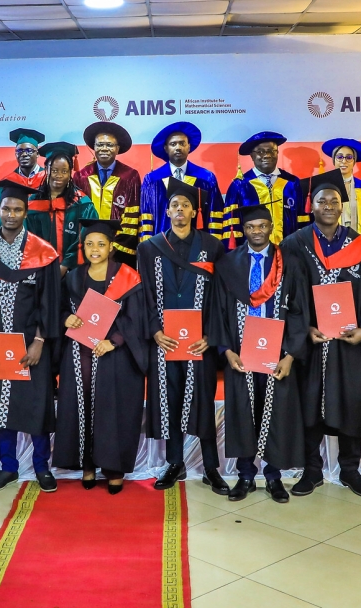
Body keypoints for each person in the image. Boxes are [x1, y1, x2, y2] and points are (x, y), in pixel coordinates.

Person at [280, 170, 361, 499]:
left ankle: (350, 469)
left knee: (349, 401)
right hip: (311, 342)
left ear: (342, 207)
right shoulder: (294, 245)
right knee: (309, 403)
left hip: (349, 344)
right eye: (321, 200)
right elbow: (288, 297)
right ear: (311, 206)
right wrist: (304, 328)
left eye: (334, 201)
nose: (328, 206)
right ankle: (312, 469)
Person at [137, 178, 229, 495]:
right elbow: (144, 294)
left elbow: (221, 296)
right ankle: (175, 463)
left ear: (194, 211)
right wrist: (155, 331)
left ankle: (211, 467)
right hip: (164, 341)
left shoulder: (212, 246)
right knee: (170, 401)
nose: (179, 210)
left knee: (201, 400)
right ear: (168, 210)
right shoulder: (149, 248)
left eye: (185, 205)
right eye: (174, 205)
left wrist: (211, 335)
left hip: (198, 341)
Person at [0, 180, 61, 493]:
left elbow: (51, 301)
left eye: (18, 209)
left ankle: (41, 466)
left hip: (32, 344)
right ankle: (7, 466)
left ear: (25, 212)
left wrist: (39, 341)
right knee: (1, 406)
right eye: (6, 208)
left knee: (36, 405)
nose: (11, 214)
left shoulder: (43, 252)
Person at [214, 203, 307, 503]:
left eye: (262, 226)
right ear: (243, 230)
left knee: (277, 411)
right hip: (240, 353)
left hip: (276, 352)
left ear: (271, 228)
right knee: (243, 412)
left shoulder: (289, 262)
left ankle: (273, 476)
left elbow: (299, 311)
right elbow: (218, 311)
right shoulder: (228, 263)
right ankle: (244, 475)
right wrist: (227, 351)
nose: (256, 231)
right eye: (251, 227)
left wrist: (290, 355)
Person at [53, 219, 149, 494]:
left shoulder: (127, 277)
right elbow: (59, 309)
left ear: (111, 247)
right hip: (79, 355)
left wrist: (115, 341)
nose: (95, 249)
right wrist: (66, 318)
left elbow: (135, 318)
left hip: (114, 356)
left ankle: (114, 468)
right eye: (90, 244)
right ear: (83, 247)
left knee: (112, 410)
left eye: (101, 244)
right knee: (81, 408)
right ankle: (87, 464)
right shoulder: (72, 276)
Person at [138, 121, 224, 241]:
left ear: (189, 147)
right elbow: (146, 216)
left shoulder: (206, 178)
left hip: (197, 245)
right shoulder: (152, 180)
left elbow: (215, 214)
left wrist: (213, 246)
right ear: (166, 148)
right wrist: (148, 247)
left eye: (182, 143)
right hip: (162, 245)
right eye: (173, 144)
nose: (178, 147)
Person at [26, 142, 98, 276]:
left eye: (64, 171)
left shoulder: (82, 204)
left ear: (70, 172)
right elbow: (29, 238)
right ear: (46, 169)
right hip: (39, 271)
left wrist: (65, 265)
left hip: (74, 272)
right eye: (54, 170)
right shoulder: (33, 202)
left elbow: (88, 237)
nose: (59, 175)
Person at [222, 132, 306, 247]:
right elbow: (231, 225)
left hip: (289, 252)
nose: (267, 155)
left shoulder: (292, 183)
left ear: (277, 153)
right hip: (251, 254)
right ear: (251, 155)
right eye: (260, 151)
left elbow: (303, 221)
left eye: (271, 150)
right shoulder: (239, 185)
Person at [73, 122, 140, 263]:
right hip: (87, 247)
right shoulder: (81, 176)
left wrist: (113, 248)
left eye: (109, 145)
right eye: (99, 144)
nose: (104, 148)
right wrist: (88, 245)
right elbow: (76, 214)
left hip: (118, 252)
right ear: (94, 147)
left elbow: (132, 217)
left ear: (117, 149)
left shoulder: (130, 176)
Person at [321, 138, 361, 252]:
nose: (344, 161)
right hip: (329, 248)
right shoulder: (323, 188)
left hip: (360, 247)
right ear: (334, 160)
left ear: (354, 161)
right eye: (339, 157)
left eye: (349, 157)